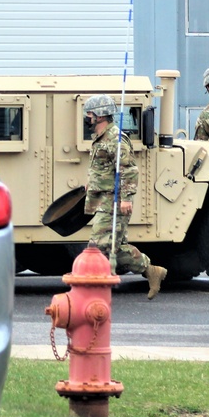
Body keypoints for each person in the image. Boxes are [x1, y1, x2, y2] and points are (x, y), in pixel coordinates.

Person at [82, 94, 167, 299]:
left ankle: (91, 292)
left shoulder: (116, 139)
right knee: (117, 249)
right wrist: (90, 183)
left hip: (113, 201)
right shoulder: (102, 138)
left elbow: (128, 170)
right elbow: (104, 168)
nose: (87, 118)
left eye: (90, 114)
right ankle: (152, 271)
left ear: (101, 115)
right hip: (103, 199)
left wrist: (126, 198)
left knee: (97, 246)